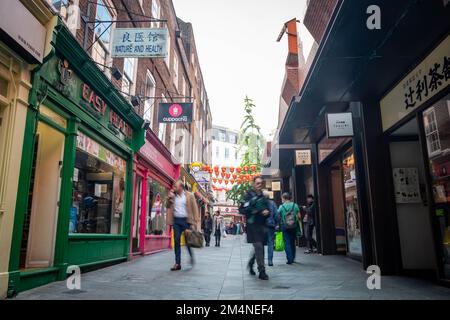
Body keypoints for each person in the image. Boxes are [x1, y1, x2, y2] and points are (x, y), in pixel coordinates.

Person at [240, 176, 270, 280]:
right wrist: (254, 210)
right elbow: (242, 209)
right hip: (252, 225)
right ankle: (262, 271)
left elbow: (268, 208)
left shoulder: (264, 196)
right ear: (253, 184)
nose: (259, 185)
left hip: (262, 225)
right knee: (258, 246)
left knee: (259, 246)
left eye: (261, 183)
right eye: (257, 183)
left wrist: (267, 212)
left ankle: (251, 262)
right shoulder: (248, 195)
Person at [166, 180, 200, 271]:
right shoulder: (173, 195)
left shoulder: (190, 196)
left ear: (181, 187)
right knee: (176, 241)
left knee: (187, 241)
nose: (174, 188)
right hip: (176, 221)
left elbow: (195, 209)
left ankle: (191, 256)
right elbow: (167, 206)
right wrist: (169, 198)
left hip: (186, 221)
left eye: (175, 186)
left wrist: (195, 222)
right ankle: (178, 263)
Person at [277, 192, 301, 264]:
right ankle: (293, 258)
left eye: (282, 198)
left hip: (285, 226)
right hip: (293, 226)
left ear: (284, 198)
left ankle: (289, 259)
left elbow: (278, 215)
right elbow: (299, 216)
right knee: (292, 242)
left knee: (287, 243)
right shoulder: (295, 205)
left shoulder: (281, 207)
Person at [264, 191, 278, 267]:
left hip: (262, 225)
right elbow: (276, 214)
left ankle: (261, 260)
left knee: (260, 243)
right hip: (271, 225)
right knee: (270, 243)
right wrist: (277, 224)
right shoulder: (272, 203)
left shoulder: (261, 203)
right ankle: (270, 261)